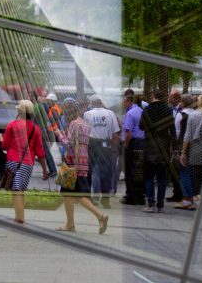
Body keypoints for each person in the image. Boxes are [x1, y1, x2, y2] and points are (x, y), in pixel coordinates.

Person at [56, 99, 109, 234]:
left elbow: (68, 143)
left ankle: (98, 217)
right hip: (83, 162)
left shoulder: (74, 124)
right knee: (70, 194)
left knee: (73, 194)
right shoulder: (84, 124)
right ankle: (70, 223)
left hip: (72, 163)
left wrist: (59, 134)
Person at [0, 100, 49, 225]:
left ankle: (19, 219)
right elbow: (40, 152)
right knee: (19, 189)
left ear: (18, 111)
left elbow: (5, 146)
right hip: (27, 163)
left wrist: (0, 138)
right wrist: (44, 169)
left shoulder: (11, 125)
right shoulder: (36, 129)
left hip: (11, 161)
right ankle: (18, 217)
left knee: (16, 190)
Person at [139, 89, 176, 213]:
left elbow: (141, 126)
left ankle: (150, 204)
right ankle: (160, 204)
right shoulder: (168, 110)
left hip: (150, 146)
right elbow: (173, 130)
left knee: (149, 176)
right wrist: (174, 147)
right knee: (161, 178)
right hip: (163, 147)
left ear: (153, 96)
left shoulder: (147, 110)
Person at [83, 94, 120, 208]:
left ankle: (89, 198)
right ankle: (105, 200)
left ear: (92, 103)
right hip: (106, 145)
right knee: (106, 173)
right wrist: (113, 147)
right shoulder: (110, 114)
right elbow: (115, 133)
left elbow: (84, 132)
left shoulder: (87, 114)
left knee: (89, 172)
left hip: (92, 144)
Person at [120, 93, 146, 205]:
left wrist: (126, 144)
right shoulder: (140, 110)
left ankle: (130, 196)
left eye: (124, 101)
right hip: (142, 143)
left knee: (130, 170)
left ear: (129, 101)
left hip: (133, 143)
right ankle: (140, 196)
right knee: (139, 170)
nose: (123, 103)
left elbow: (128, 132)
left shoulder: (130, 113)